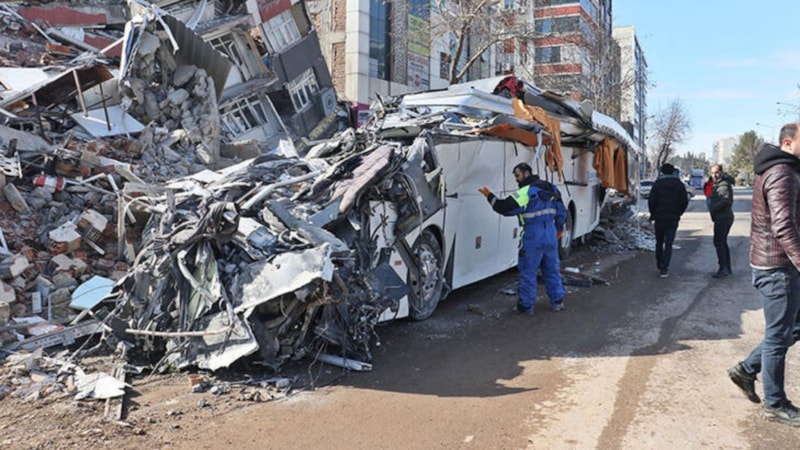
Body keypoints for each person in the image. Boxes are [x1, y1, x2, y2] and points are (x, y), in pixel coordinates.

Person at [728, 122, 800, 426]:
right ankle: (775, 403)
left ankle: (746, 369)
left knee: (790, 329)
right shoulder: (782, 173)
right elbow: (783, 225)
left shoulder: (784, 169)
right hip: (778, 268)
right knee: (777, 336)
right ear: (788, 142)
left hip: (777, 264)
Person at [479, 162, 567, 315]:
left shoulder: (525, 192)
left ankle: (526, 306)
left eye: (518, 176)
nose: (516, 180)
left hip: (533, 236)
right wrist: (559, 230)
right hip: (550, 234)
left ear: (527, 173)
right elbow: (562, 212)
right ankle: (557, 301)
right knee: (552, 269)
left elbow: (503, 207)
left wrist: (489, 195)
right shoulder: (551, 188)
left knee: (528, 271)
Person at [647, 163, 689, 278]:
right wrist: (678, 212)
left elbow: (651, 200)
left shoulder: (657, 184)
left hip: (660, 218)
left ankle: (660, 264)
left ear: (662, 172)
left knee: (659, 242)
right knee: (669, 243)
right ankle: (665, 267)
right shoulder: (679, 185)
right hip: (673, 218)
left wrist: (653, 214)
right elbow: (684, 201)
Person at [709, 164, 735, 278]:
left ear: (721, 172)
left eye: (717, 172)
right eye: (713, 173)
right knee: (721, 242)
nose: (714, 175)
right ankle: (726, 267)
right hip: (721, 217)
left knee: (719, 242)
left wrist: (714, 208)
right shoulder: (719, 183)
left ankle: (724, 268)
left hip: (723, 217)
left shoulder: (723, 184)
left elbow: (726, 201)